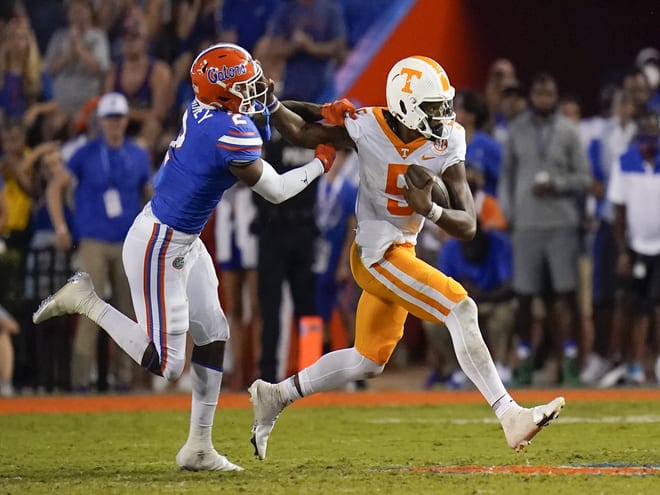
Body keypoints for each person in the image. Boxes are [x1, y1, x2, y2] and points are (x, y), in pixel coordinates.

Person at [32, 43, 336, 472]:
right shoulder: (227, 132)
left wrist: (286, 107)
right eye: (242, 84)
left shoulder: (204, 109)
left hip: (182, 239)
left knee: (214, 332)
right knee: (168, 364)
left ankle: (198, 447)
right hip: (160, 245)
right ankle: (86, 300)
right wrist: (323, 161)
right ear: (221, 93)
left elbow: (257, 125)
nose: (253, 88)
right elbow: (278, 190)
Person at [247, 55, 565, 461]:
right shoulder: (369, 127)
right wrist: (273, 104)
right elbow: (303, 132)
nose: (444, 114)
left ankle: (275, 395)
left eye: (443, 105)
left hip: (402, 250)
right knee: (460, 307)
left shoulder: (449, 139)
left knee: (367, 360)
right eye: (434, 107)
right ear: (406, 106)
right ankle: (509, 414)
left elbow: (467, 224)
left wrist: (430, 209)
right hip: (377, 253)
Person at [46, 92, 152, 394]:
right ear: (101, 121)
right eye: (109, 118)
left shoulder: (137, 154)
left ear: (125, 120)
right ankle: (80, 379)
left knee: (128, 311)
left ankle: (125, 379)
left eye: (118, 118)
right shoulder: (85, 153)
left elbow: (151, 194)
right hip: (92, 239)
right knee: (90, 308)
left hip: (128, 241)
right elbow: (55, 187)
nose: (114, 124)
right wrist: (61, 227)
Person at [498, 72, 591, 387]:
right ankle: (524, 362)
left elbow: (583, 178)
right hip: (526, 225)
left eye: (549, 95)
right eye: (539, 94)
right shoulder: (516, 130)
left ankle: (570, 363)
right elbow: (506, 177)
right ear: (532, 96)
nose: (543, 100)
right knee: (524, 296)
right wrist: (510, 215)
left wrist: (557, 183)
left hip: (561, 223)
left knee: (566, 296)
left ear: (556, 96)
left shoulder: (568, 131)